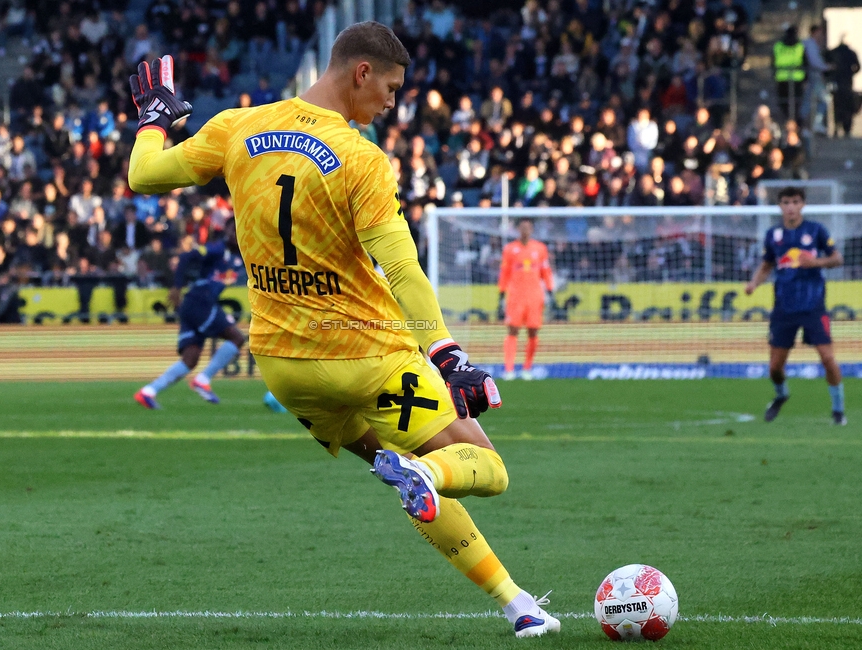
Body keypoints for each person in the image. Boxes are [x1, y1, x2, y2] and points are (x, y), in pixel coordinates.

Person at [125, 24, 558, 639]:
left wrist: (153, 118)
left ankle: (518, 604)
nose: (391, 102)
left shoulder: (236, 127)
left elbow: (144, 176)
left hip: (285, 365)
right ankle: (430, 476)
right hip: (368, 356)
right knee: (484, 468)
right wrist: (448, 355)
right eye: (389, 87)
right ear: (361, 73)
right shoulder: (359, 159)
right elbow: (402, 266)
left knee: (395, 468)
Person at [744, 187, 847, 425]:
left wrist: (816, 262)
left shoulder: (816, 230)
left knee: (827, 359)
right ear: (780, 206)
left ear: (802, 205)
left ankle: (838, 410)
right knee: (775, 367)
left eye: (795, 202)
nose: (791, 206)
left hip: (813, 306)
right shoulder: (773, 234)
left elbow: (837, 258)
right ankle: (781, 395)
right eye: (786, 202)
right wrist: (753, 283)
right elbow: (767, 265)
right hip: (784, 308)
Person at [135, 221, 248, 409]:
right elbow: (187, 257)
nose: (237, 235)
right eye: (233, 230)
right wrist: (177, 286)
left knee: (190, 359)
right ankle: (203, 379)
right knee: (236, 337)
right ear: (227, 231)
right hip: (199, 301)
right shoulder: (216, 249)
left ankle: (148, 392)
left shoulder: (240, 257)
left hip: (194, 304)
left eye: (240, 230)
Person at [498, 218, 554, 380]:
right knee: (513, 329)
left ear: (532, 230)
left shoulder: (540, 249)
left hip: (535, 296)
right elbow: (505, 272)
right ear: (518, 230)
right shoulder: (510, 249)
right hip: (516, 295)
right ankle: (509, 369)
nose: (525, 231)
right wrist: (501, 292)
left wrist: (550, 289)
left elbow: (546, 270)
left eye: (528, 228)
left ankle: (527, 368)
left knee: (533, 331)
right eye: (522, 227)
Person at [829, 35, 861, 138]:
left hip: (836, 82)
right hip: (847, 83)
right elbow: (858, 66)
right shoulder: (851, 53)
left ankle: (836, 128)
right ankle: (847, 129)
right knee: (848, 107)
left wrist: (831, 74)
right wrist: (851, 73)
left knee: (837, 107)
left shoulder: (834, 52)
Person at [773, 26, 805, 123]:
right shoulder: (800, 46)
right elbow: (805, 62)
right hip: (797, 79)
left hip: (782, 78)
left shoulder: (778, 46)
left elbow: (773, 62)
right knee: (795, 103)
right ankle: (793, 121)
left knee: (784, 103)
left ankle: (789, 120)